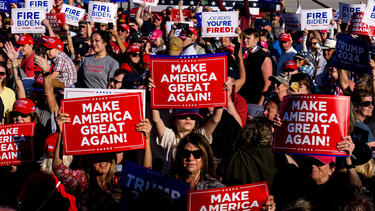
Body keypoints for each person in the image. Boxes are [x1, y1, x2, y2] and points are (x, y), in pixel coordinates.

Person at [53, 112, 152, 210]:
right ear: (90, 160)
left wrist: (147, 139)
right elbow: (58, 168)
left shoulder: (119, 180)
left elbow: (145, 174)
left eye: (107, 156)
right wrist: (61, 132)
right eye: (98, 157)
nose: (103, 161)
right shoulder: (81, 179)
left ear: (113, 160)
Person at [239, 28, 273, 116]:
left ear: (256, 40)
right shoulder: (246, 56)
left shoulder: (264, 57)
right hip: (245, 100)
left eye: (248, 38)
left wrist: (259, 105)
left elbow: (268, 83)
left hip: (256, 102)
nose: (245, 41)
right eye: (244, 38)